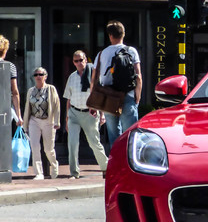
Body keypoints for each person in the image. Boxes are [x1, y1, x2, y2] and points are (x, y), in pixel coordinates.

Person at [91, 20, 142, 147]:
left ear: (110, 36)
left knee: (114, 136)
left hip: (109, 98)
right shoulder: (131, 51)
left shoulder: (101, 54)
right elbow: (138, 77)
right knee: (130, 136)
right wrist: (137, 96)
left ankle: (117, 163)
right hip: (128, 95)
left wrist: (93, 101)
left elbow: (94, 79)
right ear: (123, 34)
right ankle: (130, 164)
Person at [63, 50, 109, 179]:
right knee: (72, 143)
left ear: (86, 60)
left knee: (94, 143)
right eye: (76, 61)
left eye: (81, 60)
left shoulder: (94, 75)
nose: (79, 63)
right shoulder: (72, 77)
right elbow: (68, 99)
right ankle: (74, 172)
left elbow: (100, 95)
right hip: (74, 113)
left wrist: (102, 114)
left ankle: (106, 167)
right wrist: (67, 118)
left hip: (90, 114)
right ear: (73, 62)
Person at [23, 67, 60, 180]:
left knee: (48, 149)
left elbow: (56, 105)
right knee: (34, 147)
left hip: (48, 121)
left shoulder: (51, 89)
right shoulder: (31, 91)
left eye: (41, 74)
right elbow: (27, 108)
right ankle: (39, 173)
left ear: (45, 76)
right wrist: (25, 125)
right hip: (34, 120)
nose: (38, 76)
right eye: (36, 75)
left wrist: (57, 121)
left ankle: (54, 166)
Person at [0, 35, 23, 126]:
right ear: (5, 51)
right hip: (4, 110)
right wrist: (19, 116)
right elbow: (15, 92)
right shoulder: (10, 66)